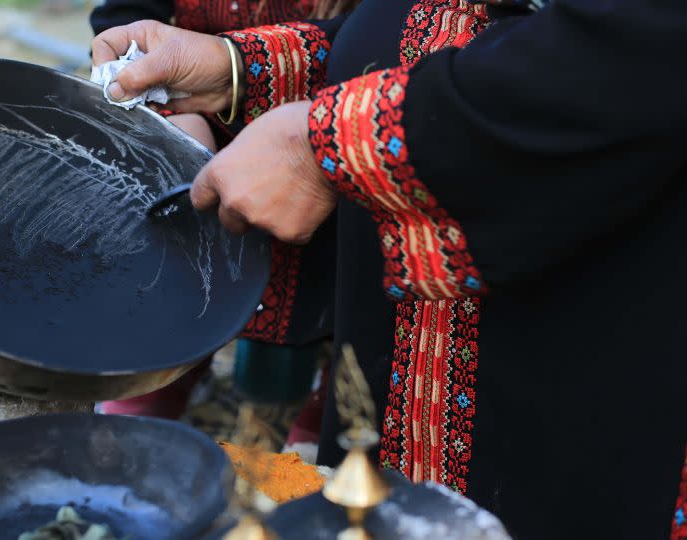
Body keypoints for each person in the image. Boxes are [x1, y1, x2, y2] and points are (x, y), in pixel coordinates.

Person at [90, 0, 687, 537]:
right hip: (416, 360)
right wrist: (239, 65)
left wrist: (327, 143)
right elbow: (457, 24)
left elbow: (632, 52)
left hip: (592, 337)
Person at [90, 0, 355, 448]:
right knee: (180, 250)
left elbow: (397, 35)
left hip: (332, 117)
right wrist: (175, 118)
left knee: (333, 279)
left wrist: (322, 132)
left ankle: (334, 394)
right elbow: (123, 13)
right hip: (196, 108)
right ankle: (168, 367)